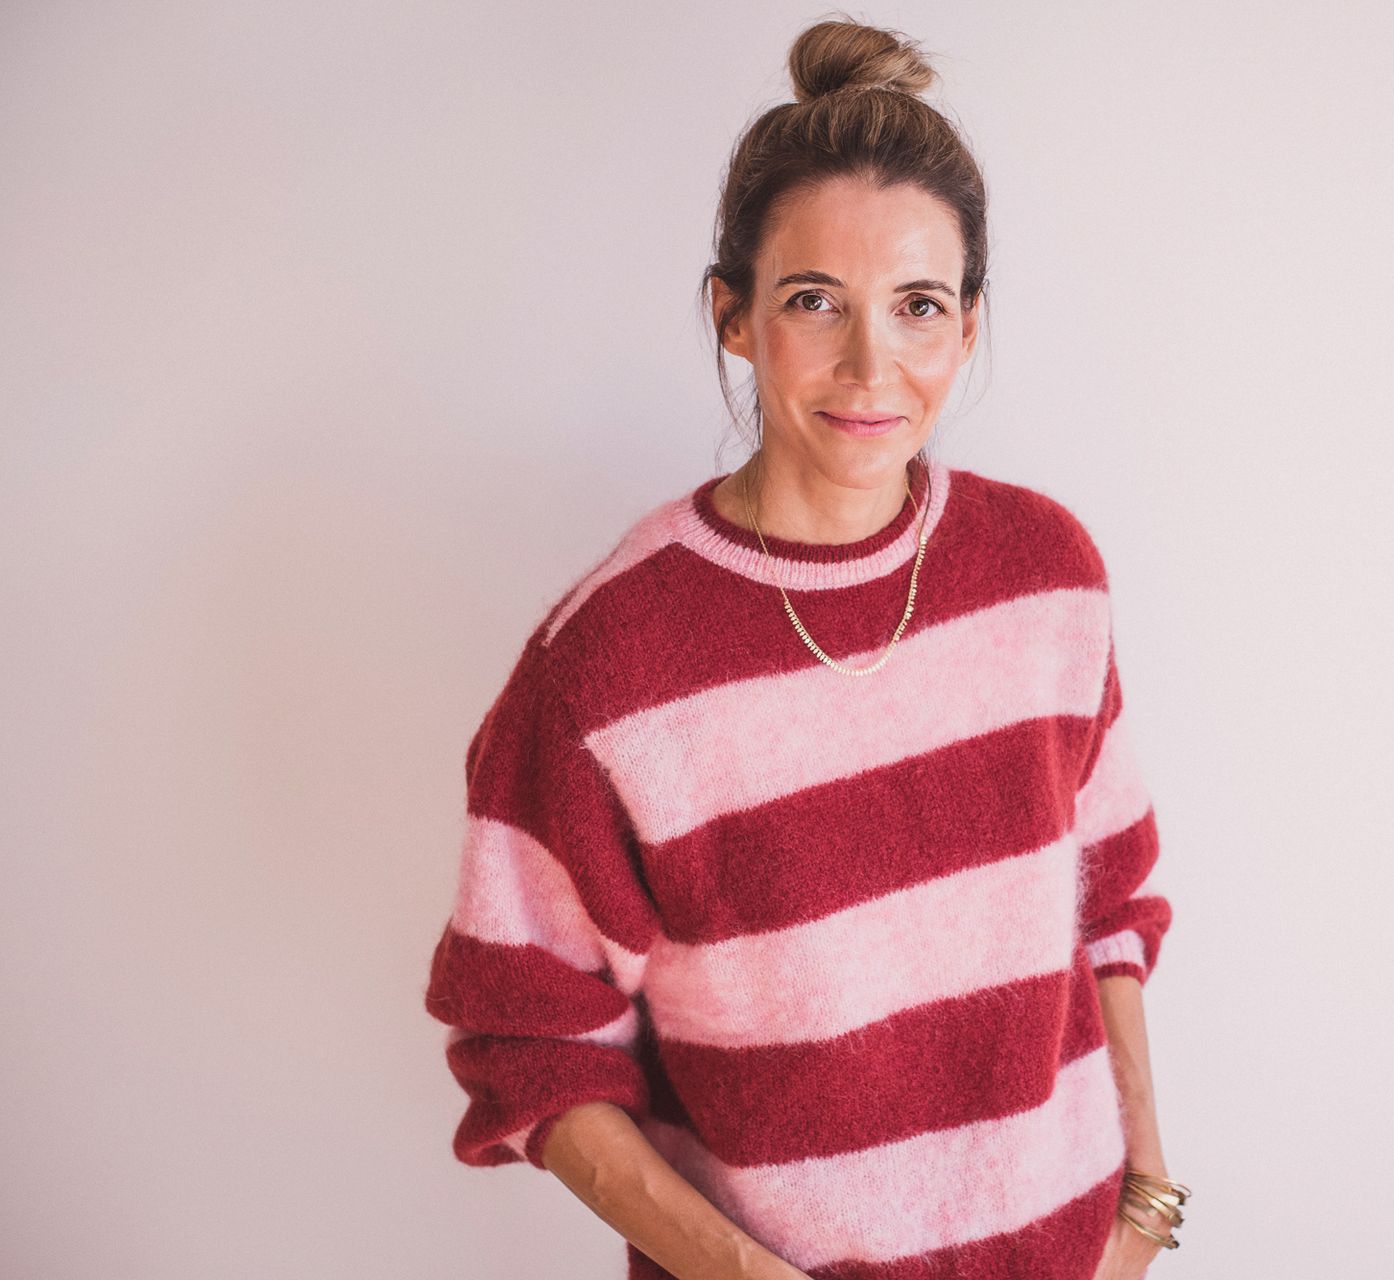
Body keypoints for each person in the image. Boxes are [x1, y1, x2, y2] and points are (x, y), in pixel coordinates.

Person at [423, 17, 1187, 1280]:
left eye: (918, 306)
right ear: (733, 316)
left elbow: (1110, 902)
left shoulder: (1045, 576)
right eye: (814, 301)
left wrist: (1144, 1199)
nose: (870, 365)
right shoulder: (606, 670)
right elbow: (529, 1042)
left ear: (968, 326)